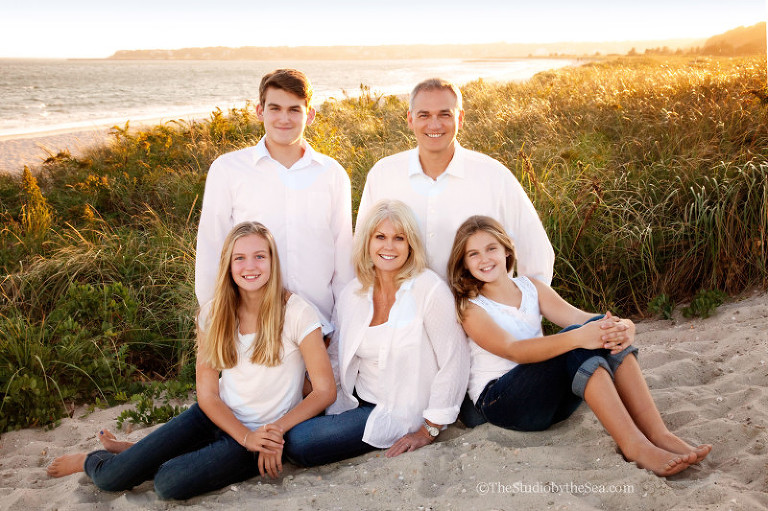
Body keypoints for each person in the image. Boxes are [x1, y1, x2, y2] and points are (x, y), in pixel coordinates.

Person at [47, 222, 336, 499]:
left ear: (273, 262)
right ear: (228, 265)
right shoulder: (213, 314)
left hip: (259, 433)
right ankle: (93, 459)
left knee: (168, 482)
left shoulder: (297, 313)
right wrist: (243, 436)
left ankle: (137, 455)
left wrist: (272, 433)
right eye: (240, 258)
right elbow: (208, 395)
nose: (250, 266)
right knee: (110, 479)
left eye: (260, 256)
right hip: (213, 417)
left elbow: (325, 390)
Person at [447, 215, 712, 477]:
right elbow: (513, 349)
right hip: (502, 403)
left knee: (594, 326)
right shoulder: (471, 307)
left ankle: (659, 434)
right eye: (473, 254)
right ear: (464, 263)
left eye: (491, 248)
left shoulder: (531, 287)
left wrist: (624, 326)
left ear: (506, 249)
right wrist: (579, 336)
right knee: (576, 337)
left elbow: (581, 319)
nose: (484, 259)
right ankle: (635, 446)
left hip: (550, 403)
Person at [284, 200, 469, 466]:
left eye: (399, 238)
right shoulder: (352, 294)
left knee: (300, 442)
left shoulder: (428, 289)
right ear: (367, 243)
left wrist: (429, 429)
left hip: (400, 412)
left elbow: (455, 360)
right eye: (380, 237)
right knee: (286, 422)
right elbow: (335, 359)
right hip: (355, 400)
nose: (389, 246)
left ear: (410, 245)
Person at [195, 68, 353, 335]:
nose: (284, 118)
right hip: (249, 326)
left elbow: (343, 255)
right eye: (275, 108)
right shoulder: (228, 169)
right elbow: (212, 248)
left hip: (320, 324)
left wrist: (340, 326)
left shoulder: (332, 173)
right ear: (260, 111)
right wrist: (216, 320)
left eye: (294, 109)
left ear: (310, 115)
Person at [357, 77, 554, 285]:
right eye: (424, 115)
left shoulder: (494, 176)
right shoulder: (383, 174)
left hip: (479, 314)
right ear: (410, 119)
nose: (434, 124)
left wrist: (520, 311)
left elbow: (536, 252)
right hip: (401, 313)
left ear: (459, 118)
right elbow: (362, 249)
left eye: (445, 114)